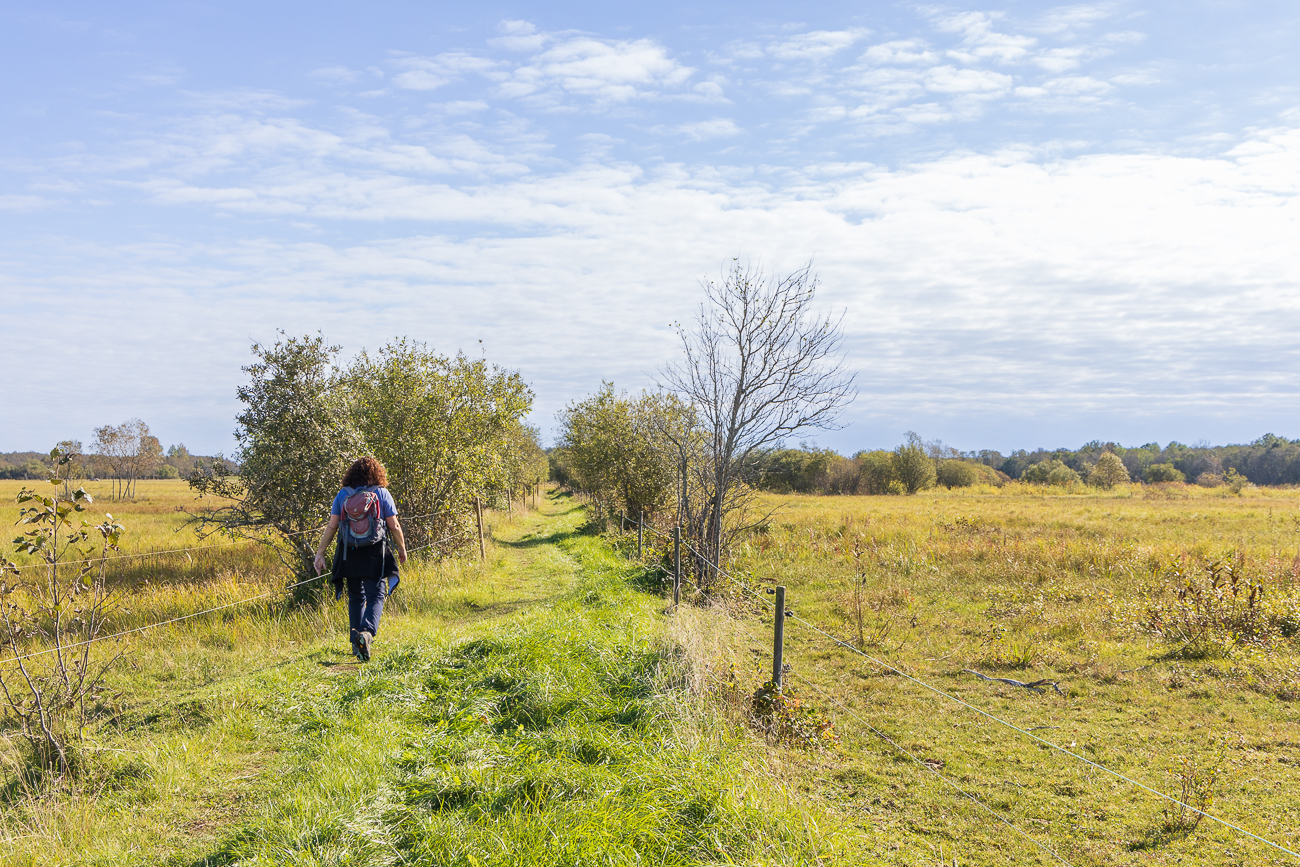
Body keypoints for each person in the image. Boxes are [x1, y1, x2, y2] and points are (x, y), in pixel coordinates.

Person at [313, 457, 407, 661]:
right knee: (376, 596)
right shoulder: (381, 493)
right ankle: (366, 632)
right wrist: (401, 547)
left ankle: (356, 644)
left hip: (349, 553)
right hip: (375, 552)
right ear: (377, 474)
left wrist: (320, 553)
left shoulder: (342, 495)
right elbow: (394, 525)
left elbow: (332, 526)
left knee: (356, 597)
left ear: (352, 474)